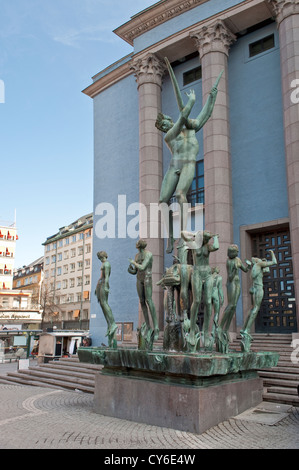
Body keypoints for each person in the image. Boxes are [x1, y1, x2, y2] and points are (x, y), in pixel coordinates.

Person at [156, 58, 222, 253]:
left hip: (188, 164)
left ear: (169, 120)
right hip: (173, 166)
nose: (164, 127)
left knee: (180, 194)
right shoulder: (170, 135)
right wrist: (191, 101)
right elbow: (182, 118)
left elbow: (205, 115)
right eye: (162, 127)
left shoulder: (191, 128)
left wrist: (211, 97)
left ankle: (183, 232)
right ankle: (170, 236)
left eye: (165, 123)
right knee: (162, 201)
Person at [181, 230, 219, 348]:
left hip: (207, 274)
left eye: (207, 240)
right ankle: (192, 330)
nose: (206, 241)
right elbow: (183, 233)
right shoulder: (194, 245)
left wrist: (215, 237)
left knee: (208, 302)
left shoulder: (208, 247)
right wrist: (195, 234)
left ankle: (206, 333)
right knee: (196, 301)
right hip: (196, 273)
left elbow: (216, 246)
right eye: (204, 239)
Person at [240, 250, 277, 351]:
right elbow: (274, 262)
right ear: (257, 261)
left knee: (252, 308)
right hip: (259, 288)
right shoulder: (259, 264)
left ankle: (244, 328)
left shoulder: (254, 268)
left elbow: (266, 271)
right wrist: (272, 253)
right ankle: (247, 329)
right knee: (255, 309)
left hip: (254, 289)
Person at [128, 239, 159, 341]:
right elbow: (136, 271)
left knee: (149, 301)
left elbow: (142, 267)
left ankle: (156, 328)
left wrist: (134, 263)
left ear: (140, 245)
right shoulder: (137, 256)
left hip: (147, 278)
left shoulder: (148, 254)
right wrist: (131, 270)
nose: (137, 245)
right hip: (139, 279)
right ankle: (148, 326)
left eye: (138, 244)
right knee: (142, 302)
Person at [95, 251, 117, 344]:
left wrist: (106, 287)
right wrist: (97, 287)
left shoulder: (107, 264)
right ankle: (109, 324)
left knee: (104, 303)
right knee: (101, 304)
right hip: (100, 285)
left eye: (99, 256)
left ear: (102, 256)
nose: (99, 257)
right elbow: (100, 277)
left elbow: (106, 277)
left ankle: (113, 324)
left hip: (104, 284)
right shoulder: (104, 263)